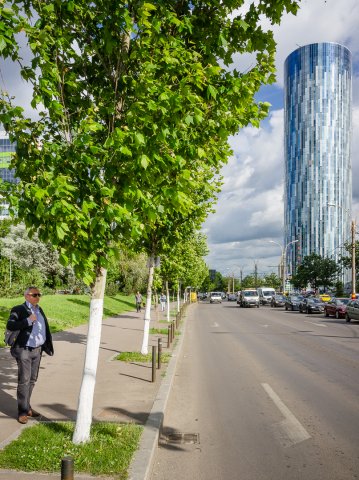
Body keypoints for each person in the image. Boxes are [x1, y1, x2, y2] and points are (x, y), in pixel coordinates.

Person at [6, 286, 54, 424]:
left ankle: (27, 407)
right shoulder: (18, 309)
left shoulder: (39, 309)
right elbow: (11, 325)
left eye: (39, 295)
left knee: (32, 380)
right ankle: (22, 412)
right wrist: (27, 321)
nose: (37, 297)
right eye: (34, 295)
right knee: (24, 380)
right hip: (24, 350)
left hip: (37, 350)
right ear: (26, 295)